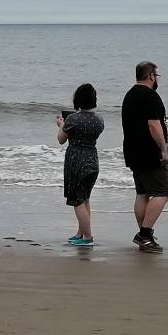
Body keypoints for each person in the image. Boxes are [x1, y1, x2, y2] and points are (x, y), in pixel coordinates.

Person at [120, 59, 168, 251]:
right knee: (163, 192)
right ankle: (145, 234)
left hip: (133, 152)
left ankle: (144, 235)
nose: (157, 79)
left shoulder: (129, 95)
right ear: (150, 76)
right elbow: (153, 124)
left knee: (143, 193)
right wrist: (163, 149)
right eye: (156, 75)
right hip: (150, 153)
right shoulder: (150, 96)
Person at [56, 83, 103, 247]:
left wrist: (62, 125)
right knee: (85, 198)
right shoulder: (99, 120)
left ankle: (87, 237)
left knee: (77, 201)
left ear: (78, 100)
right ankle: (81, 233)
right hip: (92, 160)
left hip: (77, 161)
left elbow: (61, 139)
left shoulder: (73, 119)